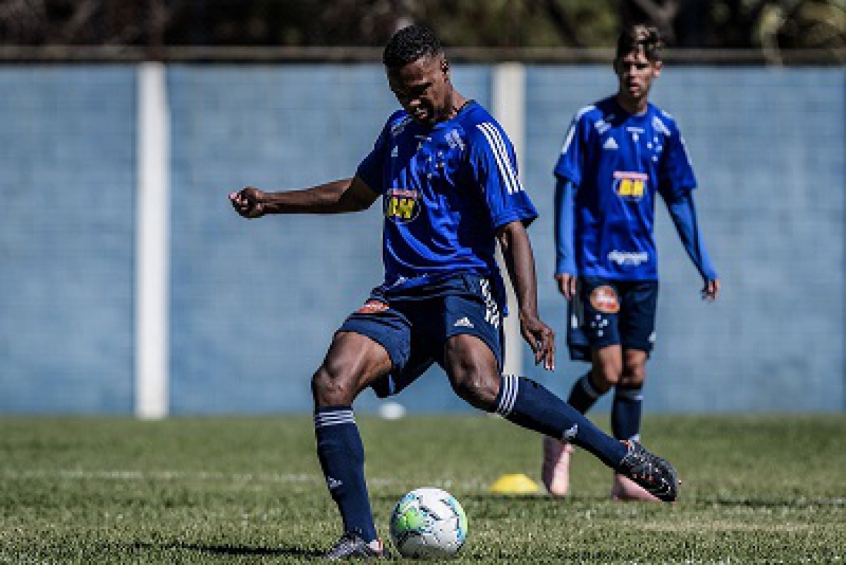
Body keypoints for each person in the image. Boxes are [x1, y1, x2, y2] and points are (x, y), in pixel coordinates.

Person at [230, 24, 678, 560]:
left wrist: (529, 314)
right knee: (331, 381)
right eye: (400, 90)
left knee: (476, 384)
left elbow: (512, 229)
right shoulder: (397, 130)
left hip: (462, 285)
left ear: (443, 69)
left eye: (419, 86)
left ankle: (617, 453)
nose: (411, 100)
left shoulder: (479, 134)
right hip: (401, 294)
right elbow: (356, 193)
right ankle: (360, 536)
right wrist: (272, 200)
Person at [542, 23, 720, 502]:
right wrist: (565, 258)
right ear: (616, 66)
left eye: (642, 65)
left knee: (635, 371)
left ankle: (627, 476)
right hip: (597, 265)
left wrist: (703, 262)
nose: (632, 73)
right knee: (608, 369)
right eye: (625, 64)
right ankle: (559, 436)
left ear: (656, 70)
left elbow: (680, 201)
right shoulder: (590, 122)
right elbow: (567, 189)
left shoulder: (664, 129)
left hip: (642, 269)